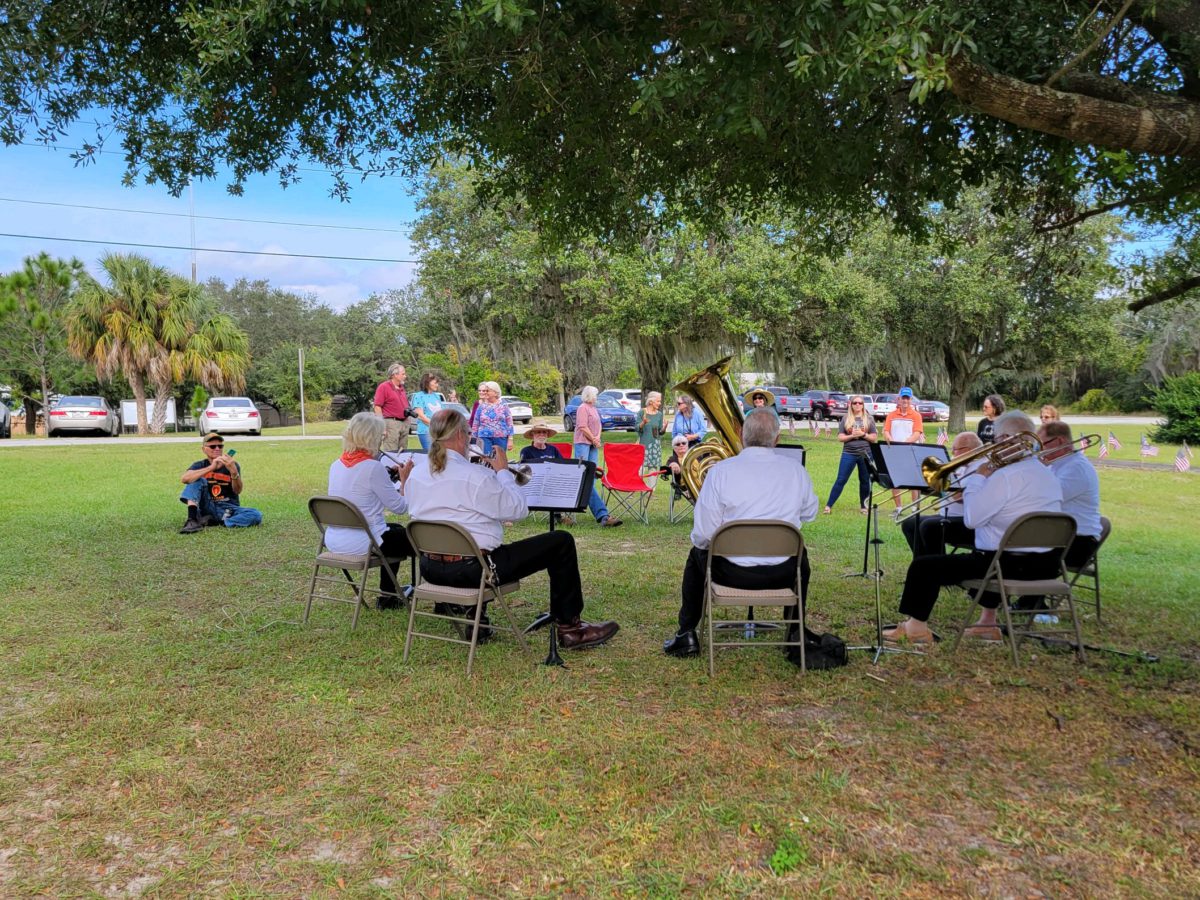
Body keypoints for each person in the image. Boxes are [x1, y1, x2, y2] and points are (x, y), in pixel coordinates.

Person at [405, 408, 620, 649]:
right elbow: (518, 510)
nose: (469, 438)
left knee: (477, 537)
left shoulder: (416, 474)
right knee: (561, 541)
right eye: (467, 433)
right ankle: (571, 629)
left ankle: (478, 621)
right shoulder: (474, 476)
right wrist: (502, 472)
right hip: (474, 571)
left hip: (430, 568)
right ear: (458, 436)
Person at [883, 411, 1064, 645]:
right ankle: (987, 624)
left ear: (1009, 439)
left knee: (923, 566)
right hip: (1047, 565)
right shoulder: (1046, 473)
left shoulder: (1005, 476)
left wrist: (979, 478)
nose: (994, 446)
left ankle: (915, 627)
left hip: (1005, 565)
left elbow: (971, 520)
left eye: (997, 440)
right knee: (989, 544)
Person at [663, 410, 819, 658]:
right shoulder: (796, 471)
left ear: (741, 436)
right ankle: (794, 634)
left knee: (696, 554)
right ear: (777, 439)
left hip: (730, 573)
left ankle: (686, 634)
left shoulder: (720, 472)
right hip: (783, 573)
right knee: (802, 557)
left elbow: (703, 535)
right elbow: (810, 514)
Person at [325, 412, 414, 609]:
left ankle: (388, 595)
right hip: (365, 541)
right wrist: (405, 480)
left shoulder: (335, 465)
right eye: (381, 436)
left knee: (395, 530)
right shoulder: (373, 467)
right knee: (415, 537)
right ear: (372, 438)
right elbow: (400, 507)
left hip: (335, 538)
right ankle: (393, 595)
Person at [900, 432, 983, 555]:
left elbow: (959, 497)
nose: (953, 453)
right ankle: (922, 565)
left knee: (929, 526)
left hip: (967, 521)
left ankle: (938, 568)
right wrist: (921, 482)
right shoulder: (960, 465)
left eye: (955, 450)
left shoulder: (980, 467)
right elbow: (945, 490)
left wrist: (944, 482)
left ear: (968, 449)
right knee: (909, 524)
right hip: (947, 515)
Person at [1038, 421, 1102, 568]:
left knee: (1008, 556)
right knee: (1005, 552)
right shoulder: (1056, 464)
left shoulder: (1077, 468)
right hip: (1062, 537)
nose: (1040, 450)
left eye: (1043, 444)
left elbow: (1048, 499)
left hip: (1079, 542)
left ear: (1060, 441)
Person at [179, 432, 264, 533]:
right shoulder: (199, 465)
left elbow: (237, 491)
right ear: (204, 449)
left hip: (228, 508)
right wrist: (211, 468)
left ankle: (221, 522)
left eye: (220, 446)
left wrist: (234, 472)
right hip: (206, 505)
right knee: (196, 479)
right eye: (213, 446)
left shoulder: (232, 465)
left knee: (256, 515)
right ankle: (192, 521)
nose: (217, 449)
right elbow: (185, 479)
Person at [573, 385, 622, 527]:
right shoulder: (582, 408)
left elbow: (599, 425)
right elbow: (582, 426)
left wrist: (597, 437)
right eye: (595, 395)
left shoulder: (594, 409)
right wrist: (593, 438)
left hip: (593, 444)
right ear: (589, 395)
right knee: (584, 477)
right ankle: (602, 515)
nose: (596, 397)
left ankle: (596, 509)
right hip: (583, 443)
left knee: (592, 477)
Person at [823, 394, 877, 515]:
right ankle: (828, 505)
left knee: (864, 480)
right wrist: (852, 435)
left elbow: (874, 438)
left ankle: (864, 506)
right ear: (851, 405)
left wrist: (863, 435)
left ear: (863, 405)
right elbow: (840, 437)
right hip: (849, 453)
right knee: (841, 479)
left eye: (860, 403)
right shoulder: (845, 418)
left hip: (865, 454)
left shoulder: (869, 418)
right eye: (855, 403)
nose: (858, 405)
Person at [520, 419, 574, 526]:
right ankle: (557, 516)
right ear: (532, 434)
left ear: (547, 435)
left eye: (544, 432)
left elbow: (562, 466)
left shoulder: (553, 450)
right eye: (538, 432)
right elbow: (524, 472)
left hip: (554, 480)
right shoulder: (526, 451)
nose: (541, 434)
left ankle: (557, 516)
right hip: (535, 483)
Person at [883, 387, 924, 513]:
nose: (905, 400)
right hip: (895, 452)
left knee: (913, 480)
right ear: (899, 399)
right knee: (895, 479)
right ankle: (898, 507)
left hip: (911, 451)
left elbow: (917, 433)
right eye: (903, 398)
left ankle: (914, 507)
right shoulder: (891, 415)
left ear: (911, 399)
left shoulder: (916, 415)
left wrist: (904, 443)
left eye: (907, 398)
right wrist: (890, 439)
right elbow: (886, 431)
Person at [373, 363, 411, 453]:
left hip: (404, 422)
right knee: (392, 451)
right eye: (403, 374)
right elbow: (377, 406)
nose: (405, 376)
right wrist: (382, 426)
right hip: (391, 423)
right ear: (395, 375)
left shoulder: (401, 388)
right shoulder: (384, 387)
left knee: (403, 451)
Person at [471, 381, 514, 457]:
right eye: (485, 391)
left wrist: (510, 439)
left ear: (495, 393)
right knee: (488, 459)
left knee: (500, 459)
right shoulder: (481, 406)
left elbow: (509, 423)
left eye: (488, 391)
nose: (485, 393)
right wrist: (474, 439)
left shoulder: (503, 406)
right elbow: (475, 423)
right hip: (484, 437)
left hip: (501, 438)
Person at [410, 372, 444, 451]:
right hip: (426, 431)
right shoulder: (419, 396)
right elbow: (421, 416)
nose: (437, 385)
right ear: (427, 383)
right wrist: (435, 426)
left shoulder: (437, 396)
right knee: (430, 455)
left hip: (439, 432)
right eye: (435, 383)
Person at [637, 391, 665, 471]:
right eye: (658, 401)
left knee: (653, 472)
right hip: (643, 446)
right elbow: (637, 428)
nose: (660, 403)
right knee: (639, 471)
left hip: (655, 447)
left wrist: (664, 427)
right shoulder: (642, 412)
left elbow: (660, 432)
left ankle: (651, 484)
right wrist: (643, 422)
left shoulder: (659, 414)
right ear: (651, 401)